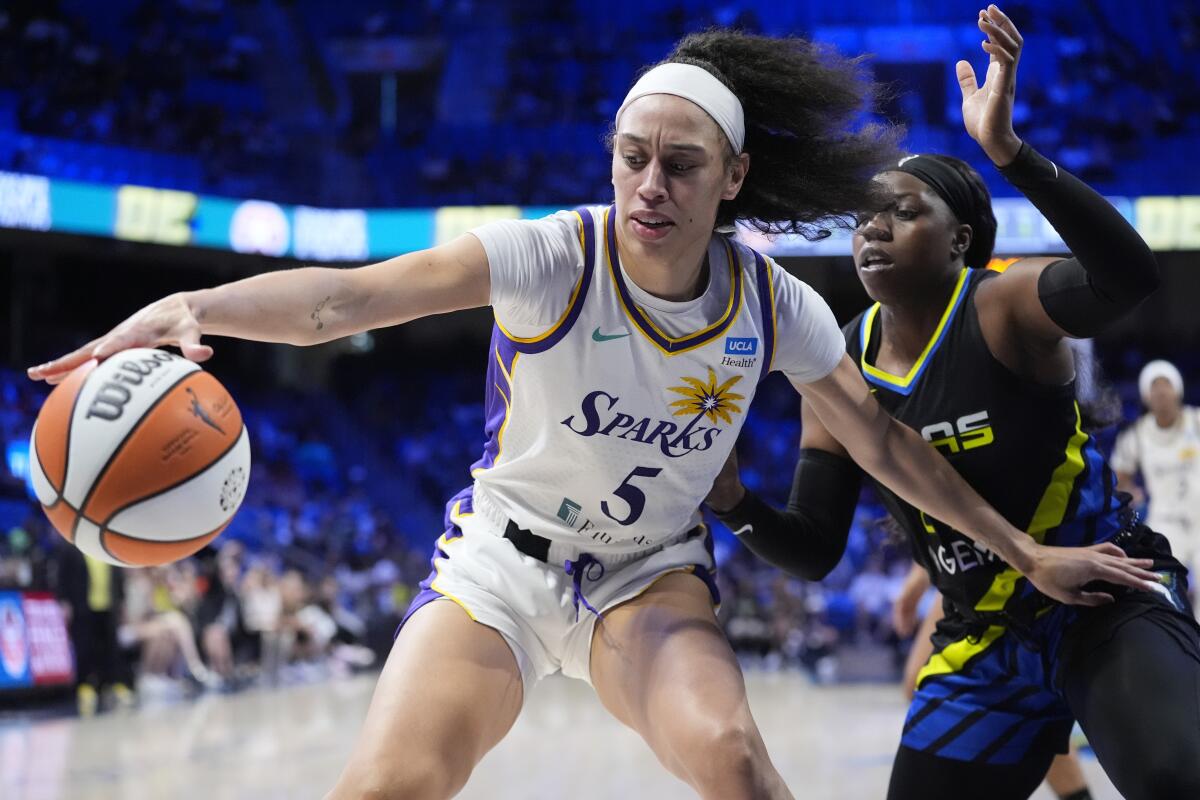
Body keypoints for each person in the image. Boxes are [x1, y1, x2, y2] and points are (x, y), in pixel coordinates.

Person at [28, 24, 1157, 800]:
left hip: (646, 577)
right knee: (385, 784)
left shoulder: (769, 298)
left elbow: (880, 438)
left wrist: (1024, 550)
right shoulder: (550, 254)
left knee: (737, 764)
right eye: (631, 158)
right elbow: (340, 300)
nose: (649, 183)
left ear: (733, 176)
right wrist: (186, 301)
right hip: (497, 571)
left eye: (680, 163)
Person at [705, 7, 1200, 799]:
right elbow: (815, 547)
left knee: (1178, 776)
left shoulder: (1002, 307)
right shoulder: (836, 362)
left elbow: (1127, 277)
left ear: (961, 238)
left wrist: (1008, 151)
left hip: (1101, 594)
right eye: (866, 214)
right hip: (986, 634)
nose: (874, 227)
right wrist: (733, 501)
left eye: (903, 210)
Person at [893, 565, 1093, 800]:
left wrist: (918, 577)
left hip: (1004, 563)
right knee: (923, 681)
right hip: (988, 557)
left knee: (932, 681)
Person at [1112, 359, 1200, 598]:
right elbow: (1119, 476)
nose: (1161, 392)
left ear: (1178, 389)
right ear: (1145, 395)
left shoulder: (1196, 420)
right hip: (1165, 520)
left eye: (1166, 384)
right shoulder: (1136, 435)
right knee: (1165, 587)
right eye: (1155, 386)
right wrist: (1130, 490)